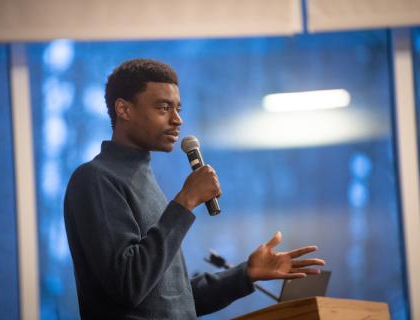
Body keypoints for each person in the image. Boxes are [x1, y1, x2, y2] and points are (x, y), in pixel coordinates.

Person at [64, 59, 325, 319]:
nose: (177, 119)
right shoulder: (95, 179)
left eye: (178, 108)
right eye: (163, 107)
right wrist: (186, 201)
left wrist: (246, 274)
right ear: (124, 109)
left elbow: (175, 300)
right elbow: (128, 286)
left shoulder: (145, 181)